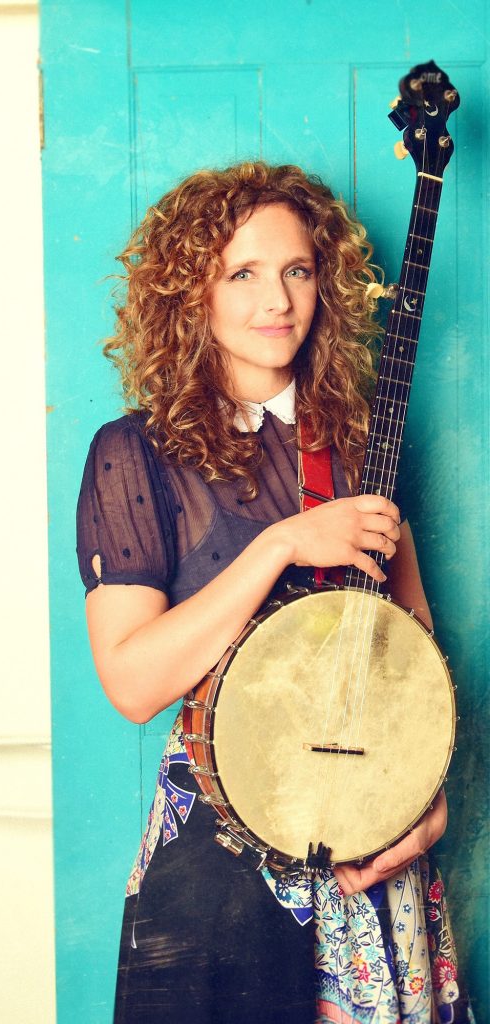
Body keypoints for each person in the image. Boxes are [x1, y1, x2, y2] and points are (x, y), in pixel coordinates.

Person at [76, 162, 472, 1023]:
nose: (278, 301)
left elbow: (412, 677)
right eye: (243, 275)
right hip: (220, 868)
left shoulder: (363, 443)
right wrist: (283, 543)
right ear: (192, 294)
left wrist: (426, 806)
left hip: (369, 851)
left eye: (297, 270)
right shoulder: (134, 454)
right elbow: (133, 684)